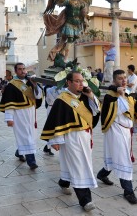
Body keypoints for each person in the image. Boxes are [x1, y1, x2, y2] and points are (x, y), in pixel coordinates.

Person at [41, 71, 100, 212]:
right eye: (77, 81)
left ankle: (64, 181)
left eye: (82, 81)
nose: (81, 84)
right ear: (68, 82)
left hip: (85, 137)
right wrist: (55, 140)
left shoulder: (84, 97)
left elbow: (96, 111)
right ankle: (85, 200)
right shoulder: (62, 100)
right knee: (80, 167)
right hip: (71, 138)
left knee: (73, 165)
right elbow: (57, 120)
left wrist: (91, 95)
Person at [98, 69, 137, 205]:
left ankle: (102, 174)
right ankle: (128, 191)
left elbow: (135, 110)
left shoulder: (129, 94)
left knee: (115, 157)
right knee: (124, 159)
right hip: (115, 130)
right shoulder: (110, 96)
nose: (124, 80)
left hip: (127, 131)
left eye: (125, 77)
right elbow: (112, 112)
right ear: (114, 80)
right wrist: (119, 95)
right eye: (120, 78)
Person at [0, 63, 43, 170]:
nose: (23, 71)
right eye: (20, 69)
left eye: (24, 69)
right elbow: (9, 103)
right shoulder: (11, 85)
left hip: (31, 113)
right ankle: (31, 161)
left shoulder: (31, 82)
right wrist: (9, 118)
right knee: (26, 137)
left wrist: (35, 85)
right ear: (15, 71)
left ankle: (19, 152)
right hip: (19, 114)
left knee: (30, 136)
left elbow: (38, 96)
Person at [43, 0, 91, 66]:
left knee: (65, 42)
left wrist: (85, 16)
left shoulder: (81, 3)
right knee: (69, 40)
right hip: (68, 24)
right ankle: (65, 58)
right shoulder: (69, 1)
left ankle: (60, 53)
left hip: (76, 26)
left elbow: (84, 12)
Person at [42, 85, 64, 156]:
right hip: (52, 108)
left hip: (58, 108)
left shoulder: (63, 88)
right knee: (52, 128)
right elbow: (49, 99)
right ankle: (48, 147)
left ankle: (47, 147)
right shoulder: (49, 88)